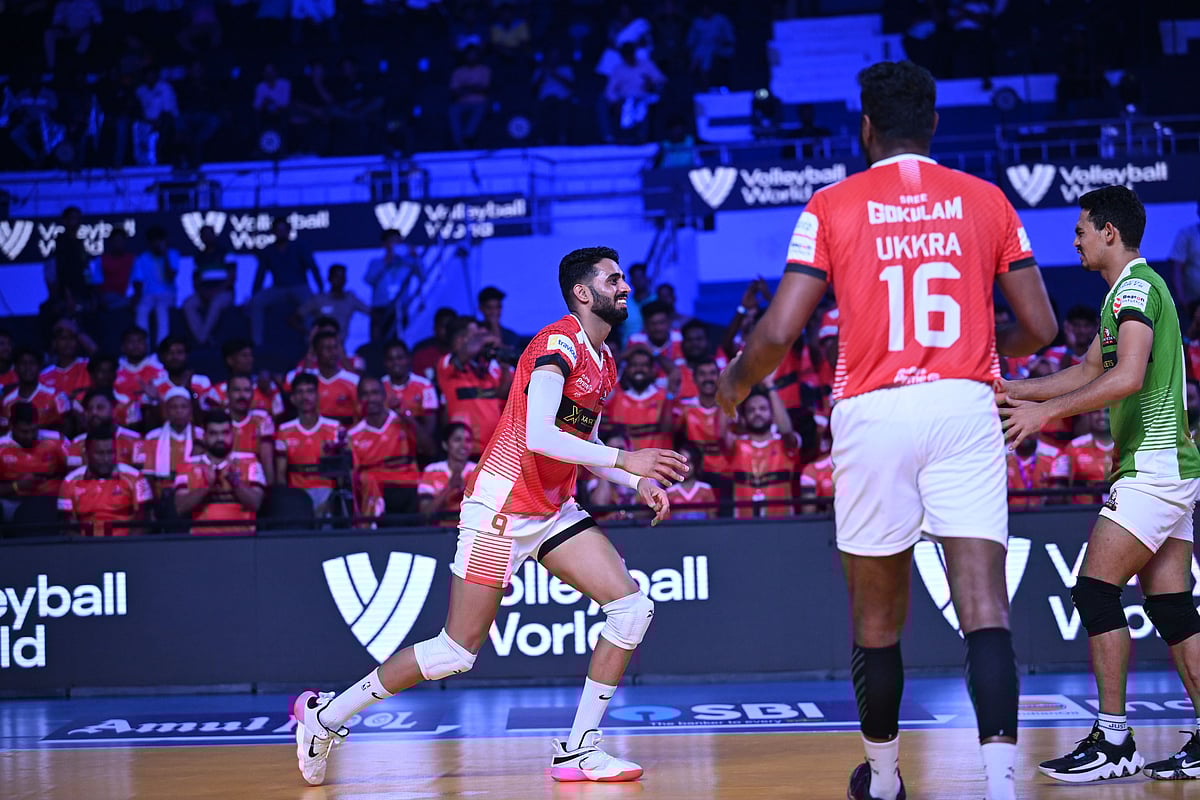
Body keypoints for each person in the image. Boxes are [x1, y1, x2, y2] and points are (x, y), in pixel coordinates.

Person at [715, 61, 1058, 800]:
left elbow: (777, 332)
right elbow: (1041, 325)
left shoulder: (831, 204)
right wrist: (983, 350)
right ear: (933, 123)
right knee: (984, 606)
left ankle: (881, 779)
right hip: (964, 404)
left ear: (865, 128)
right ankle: (1001, 784)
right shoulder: (986, 199)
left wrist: (734, 384)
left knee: (876, 618)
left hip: (871, 411)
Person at [292, 246, 686, 787]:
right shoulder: (557, 345)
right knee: (455, 652)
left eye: (623, 279)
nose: (625, 287)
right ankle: (325, 716)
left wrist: (636, 481)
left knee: (631, 608)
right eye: (613, 280)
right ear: (582, 292)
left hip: (552, 508)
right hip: (501, 508)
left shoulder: (605, 361)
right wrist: (628, 460)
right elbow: (539, 435)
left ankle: (579, 750)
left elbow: (583, 442)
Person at [997, 186, 1200, 783]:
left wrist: (1044, 415)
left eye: (1081, 229)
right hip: (1169, 467)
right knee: (1171, 607)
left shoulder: (1135, 289)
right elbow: (1089, 369)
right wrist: (1010, 391)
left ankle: (1113, 741)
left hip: (1152, 467)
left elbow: (1127, 376)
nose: (1076, 240)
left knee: (1094, 591)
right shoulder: (1128, 291)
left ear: (1110, 232)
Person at [174, 410, 265, 535]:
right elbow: (180, 508)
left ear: (232, 434)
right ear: (204, 436)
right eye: (213, 433)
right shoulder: (188, 465)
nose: (220, 438)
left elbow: (256, 504)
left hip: (243, 537)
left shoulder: (250, 461)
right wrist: (206, 486)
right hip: (200, 538)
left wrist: (235, 483)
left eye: (225, 433)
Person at [436, 316, 513, 459]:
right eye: (476, 336)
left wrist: (504, 366)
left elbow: (503, 395)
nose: (482, 340)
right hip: (464, 452)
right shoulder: (447, 364)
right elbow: (467, 351)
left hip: (495, 451)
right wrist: (487, 337)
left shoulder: (490, 368)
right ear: (460, 340)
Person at [59, 423, 153, 537]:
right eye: (100, 453)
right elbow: (67, 526)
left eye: (110, 452)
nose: (106, 459)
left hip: (125, 544)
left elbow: (144, 522)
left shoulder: (135, 478)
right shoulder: (69, 482)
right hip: (85, 545)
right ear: (87, 454)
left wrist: (126, 545)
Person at [722, 382, 800, 519]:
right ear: (744, 418)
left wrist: (770, 387)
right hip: (743, 524)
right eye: (751, 410)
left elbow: (786, 430)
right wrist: (730, 384)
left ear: (773, 414)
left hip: (782, 524)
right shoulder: (736, 445)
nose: (757, 413)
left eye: (763, 408)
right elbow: (721, 432)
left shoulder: (785, 444)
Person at [349, 376, 420, 516]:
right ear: (359, 399)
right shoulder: (353, 434)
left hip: (408, 485)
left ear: (384, 395)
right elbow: (354, 476)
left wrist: (407, 417)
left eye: (375, 393)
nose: (370, 399)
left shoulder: (402, 421)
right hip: (376, 490)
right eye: (365, 394)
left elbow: (429, 448)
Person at [274, 372, 341, 516]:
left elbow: (343, 471)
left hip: (327, 491)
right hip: (297, 493)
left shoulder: (334, 427)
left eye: (310, 391)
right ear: (293, 398)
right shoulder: (283, 430)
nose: (305, 397)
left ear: (317, 396)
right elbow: (280, 473)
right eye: (300, 392)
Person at [249, 218, 323, 346]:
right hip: (278, 288)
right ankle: (256, 343)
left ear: (289, 231)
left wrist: (320, 288)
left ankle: (311, 343)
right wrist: (254, 294)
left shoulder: (299, 246)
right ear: (273, 232)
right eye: (278, 230)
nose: (281, 233)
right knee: (256, 302)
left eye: (283, 229)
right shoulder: (269, 250)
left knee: (310, 306)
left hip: (299, 286)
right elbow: (260, 274)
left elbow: (313, 267)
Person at [0, 403, 69, 520]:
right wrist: (16, 486)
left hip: (52, 500)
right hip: (13, 502)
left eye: (34, 430)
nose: (30, 436)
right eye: (24, 432)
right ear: (11, 426)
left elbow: (77, 473)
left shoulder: (57, 440)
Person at [603, 348, 675, 450]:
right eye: (634, 365)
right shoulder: (614, 397)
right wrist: (626, 353)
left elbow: (675, 373)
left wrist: (651, 351)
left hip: (658, 459)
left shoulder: (664, 397)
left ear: (653, 370)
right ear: (627, 369)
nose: (639, 369)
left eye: (644, 365)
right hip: (626, 459)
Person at [285, 331, 360, 426]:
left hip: (344, 432)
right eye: (327, 348)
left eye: (335, 348)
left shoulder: (353, 380)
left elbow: (359, 415)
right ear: (316, 352)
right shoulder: (308, 380)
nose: (333, 352)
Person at [143, 386, 202, 499]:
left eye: (183, 406)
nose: (179, 411)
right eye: (173, 407)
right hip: (161, 495)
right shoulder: (152, 437)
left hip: (192, 493)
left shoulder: (201, 436)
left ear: (190, 410)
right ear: (166, 411)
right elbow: (148, 476)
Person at [381, 339, 437, 457]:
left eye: (400, 358)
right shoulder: (379, 387)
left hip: (419, 446)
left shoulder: (425, 386)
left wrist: (405, 413)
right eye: (391, 359)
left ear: (408, 359)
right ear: (385, 363)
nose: (395, 363)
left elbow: (429, 429)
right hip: (388, 447)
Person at [67, 389, 144, 470]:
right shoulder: (77, 442)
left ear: (113, 410)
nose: (94, 413)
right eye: (90, 409)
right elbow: (74, 475)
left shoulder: (135, 440)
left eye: (100, 408)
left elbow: (140, 474)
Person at [417, 422, 476, 526]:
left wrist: (466, 491)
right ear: (445, 445)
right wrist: (450, 487)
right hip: (438, 531)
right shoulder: (432, 470)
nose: (464, 445)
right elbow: (425, 514)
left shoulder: (479, 471)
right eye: (457, 440)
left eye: (468, 440)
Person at [131, 226, 179, 345]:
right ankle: (142, 348)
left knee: (161, 310)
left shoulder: (173, 254)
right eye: (154, 241)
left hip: (167, 294)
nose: (157, 243)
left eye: (160, 240)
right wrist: (136, 298)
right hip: (148, 295)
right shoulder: (142, 258)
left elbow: (170, 277)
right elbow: (138, 281)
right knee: (141, 310)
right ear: (149, 243)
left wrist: (165, 254)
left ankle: (162, 348)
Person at [295, 264, 370, 340]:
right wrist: (310, 333)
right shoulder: (319, 299)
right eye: (336, 277)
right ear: (329, 278)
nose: (339, 280)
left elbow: (371, 313)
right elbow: (294, 318)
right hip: (320, 343)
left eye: (342, 277)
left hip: (340, 344)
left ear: (345, 280)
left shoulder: (351, 299)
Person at [1, 348, 69, 432]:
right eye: (23, 363)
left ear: (39, 367)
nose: (28, 368)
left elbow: (68, 429)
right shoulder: (7, 401)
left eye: (32, 363)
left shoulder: (57, 396)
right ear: (15, 368)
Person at [226, 373, 276, 485]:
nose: (242, 395)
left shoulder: (262, 419)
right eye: (237, 390)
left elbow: (267, 460)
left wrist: (271, 489)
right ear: (227, 393)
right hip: (226, 479)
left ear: (253, 394)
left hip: (255, 480)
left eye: (247, 390)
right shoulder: (219, 419)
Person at [665, 444, 717, 520]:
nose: (684, 467)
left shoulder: (706, 489)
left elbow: (712, 518)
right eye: (681, 462)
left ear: (696, 464)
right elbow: (666, 521)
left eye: (688, 462)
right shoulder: (669, 491)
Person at [1168, 198, 1200, 302]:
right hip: (1193, 301)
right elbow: (1177, 268)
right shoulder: (1187, 234)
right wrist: (1182, 299)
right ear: (1198, 211)